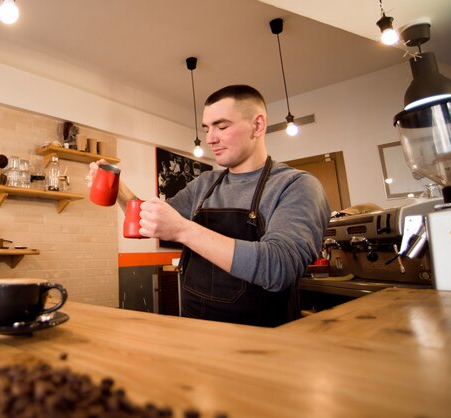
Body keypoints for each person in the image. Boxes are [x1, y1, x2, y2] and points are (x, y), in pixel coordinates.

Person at [89, 85, 330, 327]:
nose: (210, 138)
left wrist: (184, 230)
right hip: (194, 330)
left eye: (222, 126)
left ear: (257, 126)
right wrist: (118, 188)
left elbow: (278, 268)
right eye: (207, 128)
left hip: (262, 342)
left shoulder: (296, 186)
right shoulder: (204, 184)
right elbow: (146, 220)